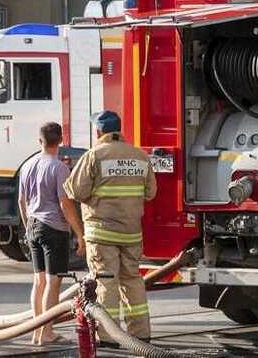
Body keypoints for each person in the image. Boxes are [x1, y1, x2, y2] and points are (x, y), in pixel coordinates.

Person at [64, 111, 157, 346]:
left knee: (106, 281)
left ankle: (107, 336)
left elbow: (76, 191)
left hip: (101, 233)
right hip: (131, 232)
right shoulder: (140, 156)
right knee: (133, 280)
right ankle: (140, 334)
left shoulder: (94, 156)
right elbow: (151, 192)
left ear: (98, 132)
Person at [18, 122, 85, 345]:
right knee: (53, 281)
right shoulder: (59, 168)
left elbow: (21, 201)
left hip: (34, 225)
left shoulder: (27, 165)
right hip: (54, 228)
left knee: (39, 281)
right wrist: (79, 232)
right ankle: (46, 332)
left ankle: (36, 332)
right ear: (62, 140)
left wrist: (28, 226)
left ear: (40, 140)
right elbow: (65, 204)